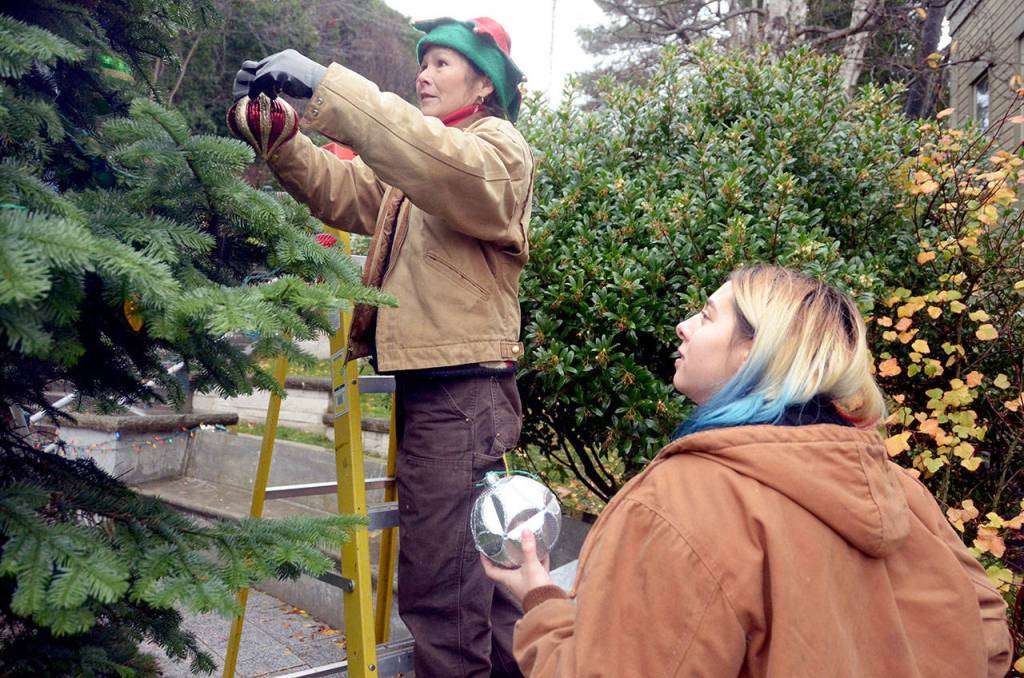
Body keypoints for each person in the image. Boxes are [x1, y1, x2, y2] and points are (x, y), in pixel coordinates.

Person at [484, 265, 1013, 677]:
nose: (683, 326)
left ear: (754, 354)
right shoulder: (894, 488)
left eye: (707, 316)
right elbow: (989, 634)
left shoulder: (680, 502)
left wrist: (540, 600)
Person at [233, 17, 533, 678]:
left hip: (462, 393)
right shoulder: (418, 166)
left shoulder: (496, 151)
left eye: (442, 65)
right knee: (484, 587)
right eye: (422, 64)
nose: (423, 76)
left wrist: (327, 86)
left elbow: (435, 160)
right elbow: (345, 193)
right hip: (444, 389)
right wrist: (281, 137)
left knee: (445, 594)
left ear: (484, 84)